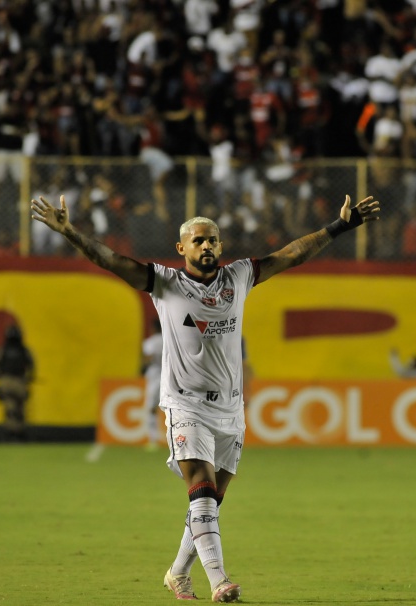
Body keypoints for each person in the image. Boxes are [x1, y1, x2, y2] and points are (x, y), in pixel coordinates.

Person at [31, 191, 380, 602]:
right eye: (198, 240)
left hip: (230, 408)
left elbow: (292, 254)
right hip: (185, 403)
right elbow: (110, 260)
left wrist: (342, 225)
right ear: (182, 249)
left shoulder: (240, 277)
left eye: (213, 239)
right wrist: (70, 232)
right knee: (200, 486)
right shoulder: (165, 283)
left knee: (211, 502)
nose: (207, 246)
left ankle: (177, 573)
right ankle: (219, 581)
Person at [0, 325, 35, 441]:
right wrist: (28, 380)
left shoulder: (3, 349)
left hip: (6, 381)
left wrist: (1, 380)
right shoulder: (24, 350)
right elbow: (31, 366)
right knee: (20, 409)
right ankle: (18, 433)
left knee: (9, 408)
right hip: (19, 381)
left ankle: (10, 433)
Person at [141, 318, 163, 451]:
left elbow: (148, 358)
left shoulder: (150, 342)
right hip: (169, 374)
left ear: (153, 328)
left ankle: (153, 439)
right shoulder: (168, 339)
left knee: (151, 407)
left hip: (155, 374)